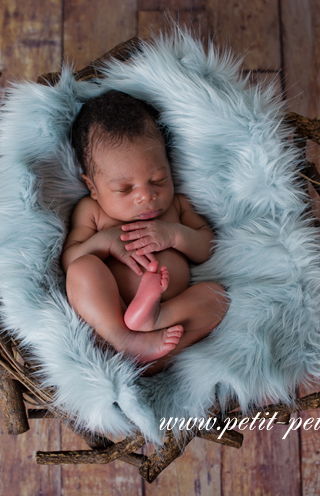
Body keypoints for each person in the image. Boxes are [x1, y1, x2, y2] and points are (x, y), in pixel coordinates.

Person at [61, 91, 229, 375]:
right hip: (112, 311)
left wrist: (176, 235)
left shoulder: (177, 206)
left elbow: (207, 248)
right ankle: (125, 339)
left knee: (217, 297)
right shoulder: (92, 211)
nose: (147, 196)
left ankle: (153, 334)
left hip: (171, 310)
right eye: (125, 189)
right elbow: (69, 260)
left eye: (158, 179)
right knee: (82, 270)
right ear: (92, 187)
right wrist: (104, 242)